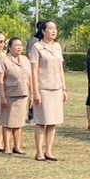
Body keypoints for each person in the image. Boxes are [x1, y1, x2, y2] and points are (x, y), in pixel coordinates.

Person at [31, 20, 67, 162]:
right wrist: (35, 92)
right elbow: (34, 71)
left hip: (56, 88)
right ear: (43, 31)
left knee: (53, 121)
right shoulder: (37, 47)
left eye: (55, 29)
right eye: (50, 28)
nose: (53, 31)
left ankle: (49, 151)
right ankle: (39, 152)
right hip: (43, 88)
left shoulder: (57, 46)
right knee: (41, 121)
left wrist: (64, 88)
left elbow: (60, 69)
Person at [0, 36, 32, 156]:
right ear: (10, 47)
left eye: (20, 45)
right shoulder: (4, 61)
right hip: (9, 95)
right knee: (8, 122)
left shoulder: (25, 60)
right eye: (16, 45)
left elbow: (30, 78)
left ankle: (17, 146)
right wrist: (2, 97)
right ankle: (7, 146)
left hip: (23, 94)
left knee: (19, 123)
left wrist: (32, 94)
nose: (19, 47)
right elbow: (0, 80)